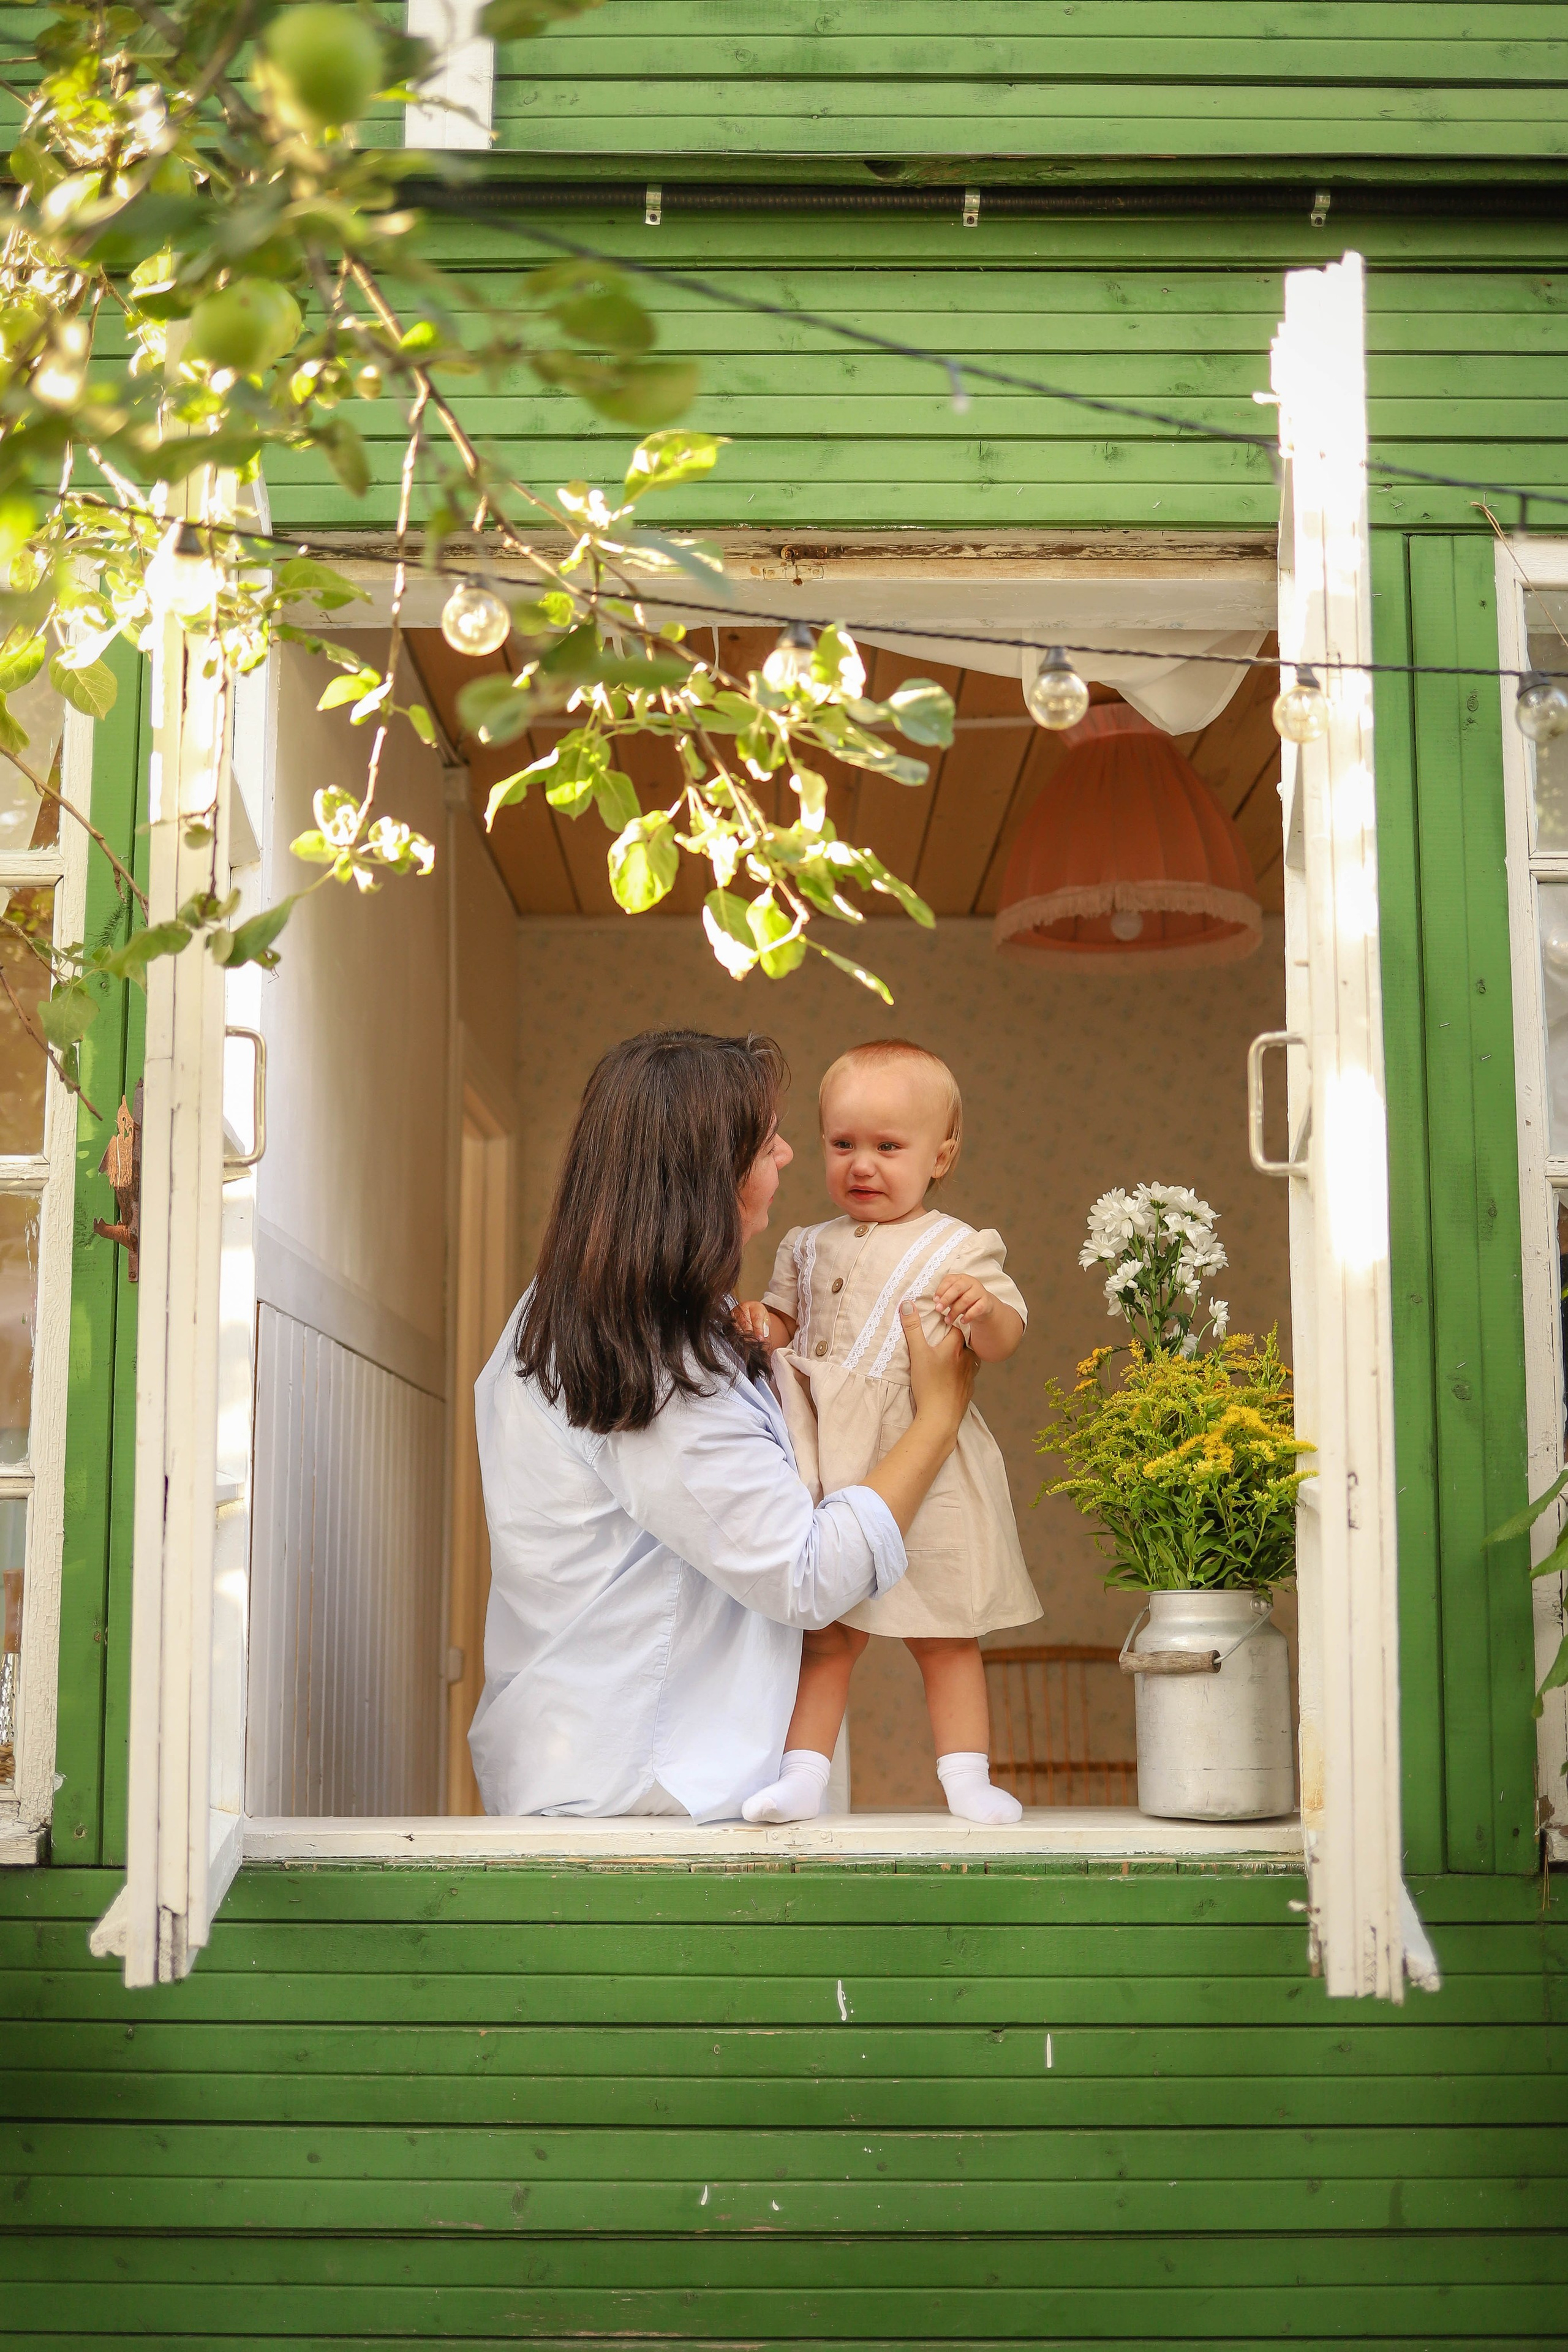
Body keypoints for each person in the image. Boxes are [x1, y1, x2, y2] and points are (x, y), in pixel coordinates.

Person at [467, 1028, 976, 1821]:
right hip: (653, 1801)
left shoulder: (581, 1317)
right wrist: (938, 1418)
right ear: (710, 1173)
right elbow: (805, 1572)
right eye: (765, 1141)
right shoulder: (647, 1352)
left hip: (612, 1780)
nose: (787, 1157)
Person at [734, 1039, 1040, 1826]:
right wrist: (758, 1323)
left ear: (940, 1156)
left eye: (887, 1147)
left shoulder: (959, 1246)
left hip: (924, 1468)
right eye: (843, 1145)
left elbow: (1004, 1342)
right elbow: (788, 1323)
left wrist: (983, 1310)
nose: (862, 1165)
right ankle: (803, 1777)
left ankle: (966, 1780)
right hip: (828, 1460)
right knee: (827, 1636)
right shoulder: (806, 1243)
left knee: (946, 1634)